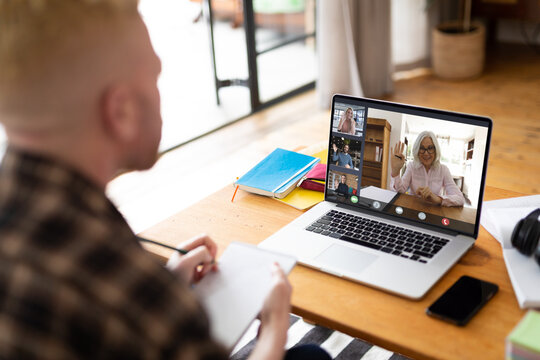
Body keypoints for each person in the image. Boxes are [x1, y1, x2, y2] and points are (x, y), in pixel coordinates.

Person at [0, 2, 330, 359]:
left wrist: (164, 285)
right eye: (155, 77)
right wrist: (274, 331)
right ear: (121, 112)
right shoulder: (117, 275)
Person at [390, 131, 465, 207]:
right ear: (417, 151)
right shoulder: (412, 166)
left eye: (430, 148)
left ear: (436, 150)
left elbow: (460, 199)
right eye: (422, 148)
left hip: (434, 210)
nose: (426, 153)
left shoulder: (443, 169)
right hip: (414, 207)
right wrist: (395, 172)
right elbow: (400, 190)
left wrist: (438, 199)